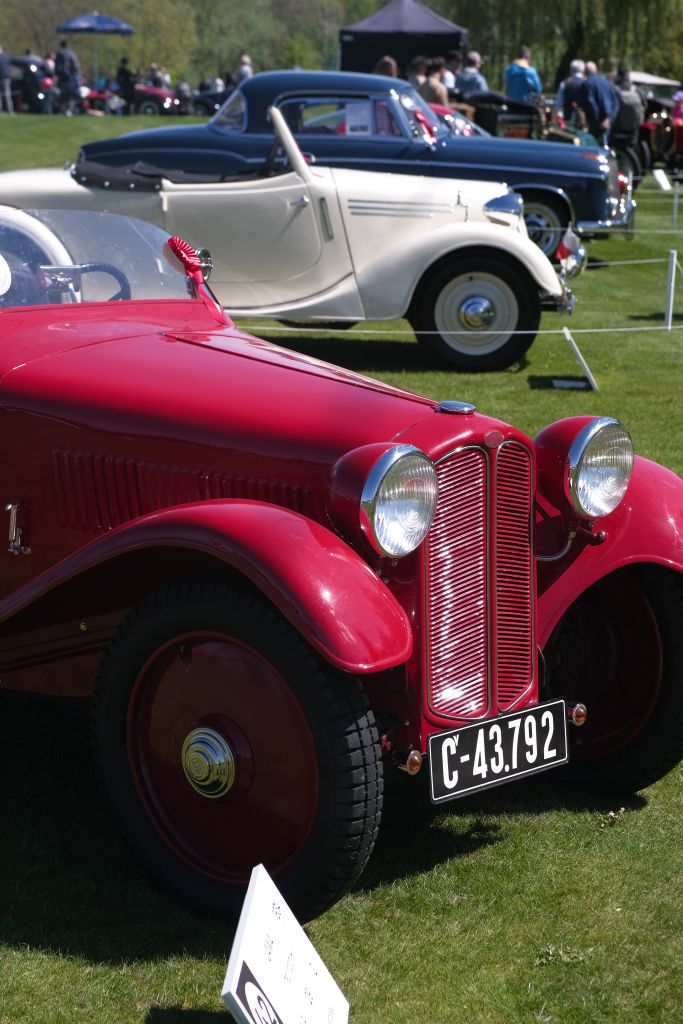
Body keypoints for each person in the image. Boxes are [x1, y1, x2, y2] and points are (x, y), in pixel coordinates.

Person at [578, 61, 620, 145]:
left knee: (593, 146)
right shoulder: (607, 82)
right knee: (604, 145)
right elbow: (616, 102)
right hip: (607, 122)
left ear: (585, 71)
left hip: (596, 123)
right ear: (596, 69)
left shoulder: (587, 84)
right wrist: (609, 119)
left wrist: (598, 121)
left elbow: (591, 104)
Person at [554, 59, 585, 125]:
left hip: (568, 120)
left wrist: (560, 119)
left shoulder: (565, 83)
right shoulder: (586, 83)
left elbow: (559, 103)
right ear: (583, 70)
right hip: (586, 121)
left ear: (571, 70)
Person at [55, 38, 80, 114]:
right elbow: (76, 65)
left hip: (61, 77)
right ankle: (69, 109)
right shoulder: (71, 54)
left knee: (62, 93)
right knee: (71, 94)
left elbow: (56, 66)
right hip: (70, 77)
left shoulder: (58, 54)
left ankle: (62, 109)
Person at [0, 45, 13, 114]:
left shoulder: (6, 57)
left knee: (7, 95)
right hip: (5, 78)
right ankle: (8, 110)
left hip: (5, 79)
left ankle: (9, 110)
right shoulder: (6, 57)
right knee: (7, 95)